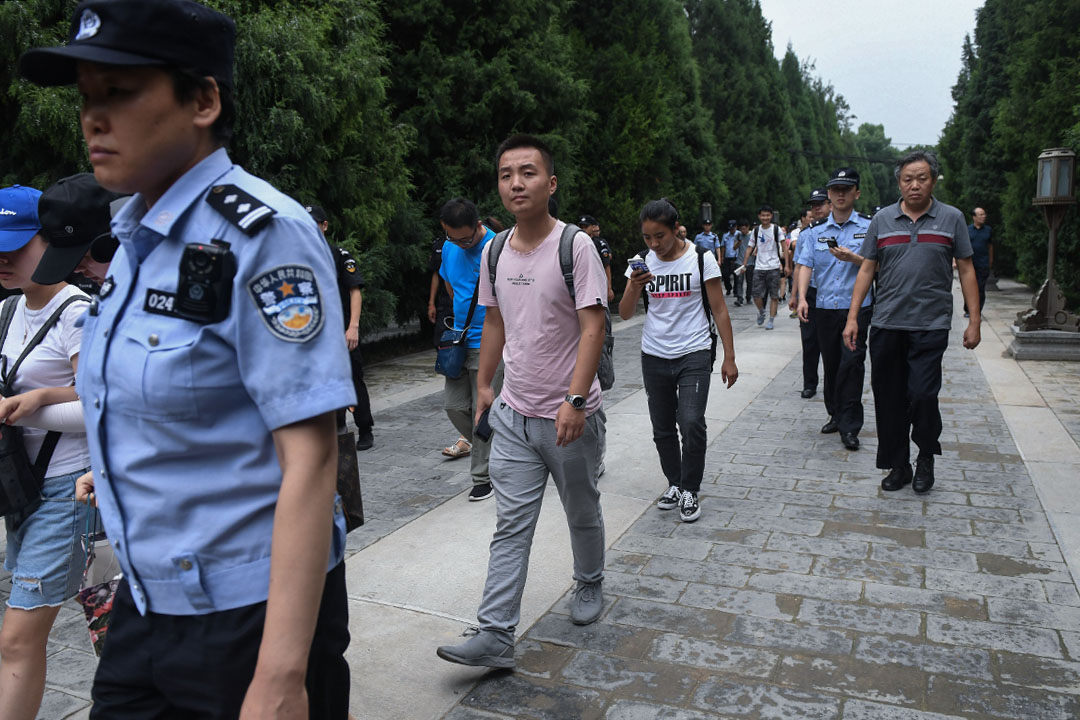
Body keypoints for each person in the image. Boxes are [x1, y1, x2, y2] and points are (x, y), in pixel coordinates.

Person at [19, 1, 355, 716]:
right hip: (144, 603)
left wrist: (281, 677)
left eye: (119, 92)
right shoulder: (135, 240)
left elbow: (312, 458)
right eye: (85, 98)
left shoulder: (264, 235)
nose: (93, 119)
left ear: (203, 100)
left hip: (248, 614)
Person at [436, 134, 607, 669]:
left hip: (569, 417)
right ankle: (495, 634)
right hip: (513, 415)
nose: (517, 182)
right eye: (507, 174)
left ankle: (589, 581)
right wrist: (485, 385)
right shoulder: (493, 250)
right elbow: (495, 319)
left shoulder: (574, 245)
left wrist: (576, 400)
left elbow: (594, 324)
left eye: (528, 172)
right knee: (511, 525)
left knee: (581, 510)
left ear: (550, 183)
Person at [0, 184, 93, 720]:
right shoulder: (11, 310)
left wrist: (23, 405)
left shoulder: (78, 313)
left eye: (17, 244)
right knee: (21, 640)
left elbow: (101, 409)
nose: (4, 258)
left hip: (69, 489)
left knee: (17, 636)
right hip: (25, 492)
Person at [843, 150, 981, 494]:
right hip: (888, 323)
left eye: (921, 178)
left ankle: (926, 456)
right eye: (908, 179)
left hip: (930, 325)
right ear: (899, 183)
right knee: (888, 398)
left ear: (933, 180)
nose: (914, 185)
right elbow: (867, 268)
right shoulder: (883, 220)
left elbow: (966, 268)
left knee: (922, 395)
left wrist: (974, 319)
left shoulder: (951, 219)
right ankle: (899, 465)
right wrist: (852, 317)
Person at [619, 199, 738, 523]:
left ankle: (690, 488)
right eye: (647, 237)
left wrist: (729, 357)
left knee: (691, 421)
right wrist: (633, 285)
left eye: (660, 236)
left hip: (694, 351)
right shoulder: (641, 263)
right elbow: (626, 313)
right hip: (654, 354)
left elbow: (720, 309)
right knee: (662, 428)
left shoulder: (700, 258)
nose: (654, 244)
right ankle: (674, 482)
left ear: (675, 229)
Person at [796, 169, 873, 452]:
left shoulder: (868, 227)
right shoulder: (816, 233)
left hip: (857, 308)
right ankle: (835, 414)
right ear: (829, 194)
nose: (841, 194)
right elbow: (805, 265)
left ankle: (851, 426)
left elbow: (875, 263)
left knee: (851, 364)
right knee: (830, 363)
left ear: (856, 193)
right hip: (825, 308)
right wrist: (802, 297)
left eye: (847, 188)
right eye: (836, 189)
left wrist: (854, 257)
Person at [438, 197, 503, 501]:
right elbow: (449, 285)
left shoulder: (499, 247)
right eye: (453, 238)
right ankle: (500, 442)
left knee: (482, 411)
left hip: (490, 341)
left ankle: (482, 478)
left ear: (478, 225)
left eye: (465, 239)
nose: (460, 245)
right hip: (458, 340)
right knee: (454, 405)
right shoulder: (450, 247)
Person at [308, 204, 375, 451]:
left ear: (324, 226)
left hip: (343, 330)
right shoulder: (299, 257)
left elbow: (354, 290)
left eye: (314, 224)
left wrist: (353, 326)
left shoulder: (339, 255)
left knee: (353, 378)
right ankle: (335, 429)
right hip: (316, 335)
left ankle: (365, 428)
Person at [790, 188, 828, 398]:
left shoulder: (840, 229)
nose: (816, 208)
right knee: (809, 340)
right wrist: (795, 295)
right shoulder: (806, 234)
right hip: (811, 292)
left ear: (830, 204)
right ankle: (810, 383)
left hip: (833, 293)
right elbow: (799, 266)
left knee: (832, 344)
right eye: (813, 205)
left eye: (820, 203)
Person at [746, 205, 787, 330]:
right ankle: (762, 311)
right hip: (759, 266)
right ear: (759, 216)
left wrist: (787, 265)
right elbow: (750, 247)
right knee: (756, 294)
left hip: (773, 266)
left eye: (767, 215)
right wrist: (744, 263)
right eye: (763, 215)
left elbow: (784, 246)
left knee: (774, 295)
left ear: (771, 216)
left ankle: (771, 320)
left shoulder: (776, 229)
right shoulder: (756, 230)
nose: (765, 217)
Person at [578, 214, 615, 304]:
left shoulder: (599, 243)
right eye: (581, 227)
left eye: (586, 226)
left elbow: (606, 265)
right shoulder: (577, 242)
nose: (583, 229)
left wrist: (609, 288)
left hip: (597, 284)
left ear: (593, 227)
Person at [965, 207, 993, 316]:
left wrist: (990, 261)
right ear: (974, 217)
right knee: (969, 288)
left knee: (980, 289)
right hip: (970, 264)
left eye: (984, 214)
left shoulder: (988, 230)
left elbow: (990, 246)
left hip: (983, 263)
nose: (983, 216)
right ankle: (968, 309)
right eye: (980, 214)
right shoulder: (967, 230)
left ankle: (977, 311)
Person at [733, 219, 751, 306]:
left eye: (744, 229)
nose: (743, 231)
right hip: (739, 262)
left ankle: (748, 297)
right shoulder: (738, 236)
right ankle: (740, 298)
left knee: (749, 281)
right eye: (741, 229)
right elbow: (734, 248)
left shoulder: (752, 235)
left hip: (750, 262)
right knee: (739, 281)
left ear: (748, 227)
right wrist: (739, 242)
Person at [720, 219, 740, 296]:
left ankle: (736, 290)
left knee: (736, 275)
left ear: (736, 227)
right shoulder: (725, 235)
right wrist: (722, 257)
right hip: (727, 257)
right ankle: (728, 288)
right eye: (730, 229)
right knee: (725, 274)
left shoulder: (739, 234)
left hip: (736, 257)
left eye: (733, 228)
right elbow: (723, 246)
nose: (732, 230)